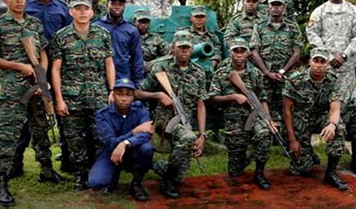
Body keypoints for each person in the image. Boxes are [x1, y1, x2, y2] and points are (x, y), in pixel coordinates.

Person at [0, 0, 66, 207]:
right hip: (13, 88)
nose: (19, 1)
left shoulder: (34, 23)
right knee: (7, 132)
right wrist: (18, 66)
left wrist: (41, 74)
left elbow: (42, 52)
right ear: (6, 1)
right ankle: (1, 181)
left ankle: (46, 170)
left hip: (37, 85)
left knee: (41, 128)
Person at [50, 0, 116, 190]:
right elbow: (55, 69)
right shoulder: (61, 36)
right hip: (72, 99)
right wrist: (59, 99)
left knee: (101, 137)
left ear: (92, 12)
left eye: (85, 9)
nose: (82, 12)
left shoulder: (102, 34)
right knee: (75, 140)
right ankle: (80, 176)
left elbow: (109, 64)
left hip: (98, 97)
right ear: (71, 12)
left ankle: (101, 174)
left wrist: (112, 91)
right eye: (77, 9)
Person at [136, 30, 207, 199]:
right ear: (173, 47)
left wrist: (203, 135)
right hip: (162, 119)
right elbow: (138, 93)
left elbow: (201, 104)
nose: (184, 51)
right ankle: (167, 181)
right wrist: (158, 95)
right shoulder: (161, 66)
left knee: (180, 176)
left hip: (184, 120)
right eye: (181, 47)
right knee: (187, 138)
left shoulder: (199, 72)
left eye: (187, 48)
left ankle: (158, 166)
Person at [25, 0, 73, 174]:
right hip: (29, 67)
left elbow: (69, 33)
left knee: (63, 112)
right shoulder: (26, 5)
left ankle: (67, 158)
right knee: (29, 112)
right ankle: (17, 162)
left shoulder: (62, 7)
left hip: (57, 66)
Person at [208, 38, 272, 190]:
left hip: (254, 115)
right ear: (230, 53)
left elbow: (262, 98)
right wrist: (233, 97)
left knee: (264, 134)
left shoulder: (255, 73)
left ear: (247, 53)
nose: (238, 54)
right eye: (235, 51)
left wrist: (267, 118)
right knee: (235, 171)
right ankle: (247, 156)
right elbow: (212, 98)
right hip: (233, 119)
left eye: (242, 51)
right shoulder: (222, 73)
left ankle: (259, 172)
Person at [282, 47, 348, 191]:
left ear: (327, 64)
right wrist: (293, 140)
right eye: (315, 61)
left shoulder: (332, 80)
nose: (318, 65)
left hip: (321, 118)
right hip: (301, 121)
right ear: (309, 62)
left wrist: (332, 125)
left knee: (339, 128)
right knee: (302, 169)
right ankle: (308, 153)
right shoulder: (295, 80)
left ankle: (331, 172)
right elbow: (287, 111)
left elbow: (335, 108)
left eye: (322, 62)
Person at [88, 78, 153, 201]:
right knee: (96, 183)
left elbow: (147, 133)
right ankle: (115, 172)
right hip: (110, 153)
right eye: (120, 94)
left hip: (133, 149)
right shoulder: (102, 115)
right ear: (113, 95)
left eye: (128, 95)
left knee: (147, 149)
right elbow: (110, 142)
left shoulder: (139, 109)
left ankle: (136, 183)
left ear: (133, 96)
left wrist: (126, 143)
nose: (124, 98)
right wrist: (134, 132)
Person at [306, 0, 356, 105]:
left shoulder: (354, 11)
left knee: (346, 102)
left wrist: (344, 55)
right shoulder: (319, 12)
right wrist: (328, 55)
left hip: (347, 67)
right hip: (325, 66)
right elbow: (312, 34)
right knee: (322, 102)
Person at [250, 0, 302, 134]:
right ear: (268, 8)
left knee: (285, 106)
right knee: (262, 105)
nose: (275, 8)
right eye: (273, 5)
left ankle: (286, 138)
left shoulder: (292, 27)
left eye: (278, 5)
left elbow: (297, 52)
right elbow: (254, 51)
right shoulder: (260, 27)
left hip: (284, 76)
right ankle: (261, 135)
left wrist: (283, 71)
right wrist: (266, 72)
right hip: (263, 75)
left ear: (284, 8)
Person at [94, 0, 145, 85]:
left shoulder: (131, 30)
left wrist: (138, 82)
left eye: (121, 4)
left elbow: (137, 58)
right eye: (113, 3)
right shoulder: (96, 27)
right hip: (99, 78)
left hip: (123, 78)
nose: (117, 6)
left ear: (124, 6)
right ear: (107, 4)